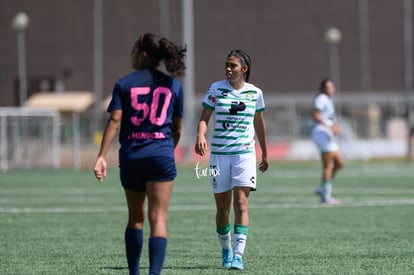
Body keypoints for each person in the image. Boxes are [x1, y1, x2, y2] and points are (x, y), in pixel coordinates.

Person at [93, 33, 186, 275]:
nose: (131, 56)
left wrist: (101, 156)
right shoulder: (173, 85)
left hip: (132, 155)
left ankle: (134, 273)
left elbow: (115, 120)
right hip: (161, 155)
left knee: (136, 218)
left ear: (143, 54)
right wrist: (166, 148)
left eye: (133, 52)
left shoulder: (124, 83)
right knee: (159, 219)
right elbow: (177, 128)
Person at [194, 50, 269, 270]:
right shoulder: (216, 89)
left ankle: (238, 255)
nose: (228, 69)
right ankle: (225, 250)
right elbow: (204, 119)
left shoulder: (255, 93)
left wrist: (264, 151)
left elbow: (259, 124)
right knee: (222, 210)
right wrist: (200, 135)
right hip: (218, 156)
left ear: (244, 69)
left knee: (241, 204)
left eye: (233, 66)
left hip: (244, 155)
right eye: (226, 65)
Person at [311, 78, 345, 205]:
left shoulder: (328, 100)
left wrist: (334, 126)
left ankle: (322, 186)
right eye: (328, 87)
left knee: (340, 163)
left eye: (332, 87)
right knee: (328, 165)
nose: (331, 89)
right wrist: (329, 126)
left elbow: (328, 117)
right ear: (324, 89)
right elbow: (315, 115)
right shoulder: (321, 98)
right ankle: (326, 196)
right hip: (321, 133)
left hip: (327, 134)